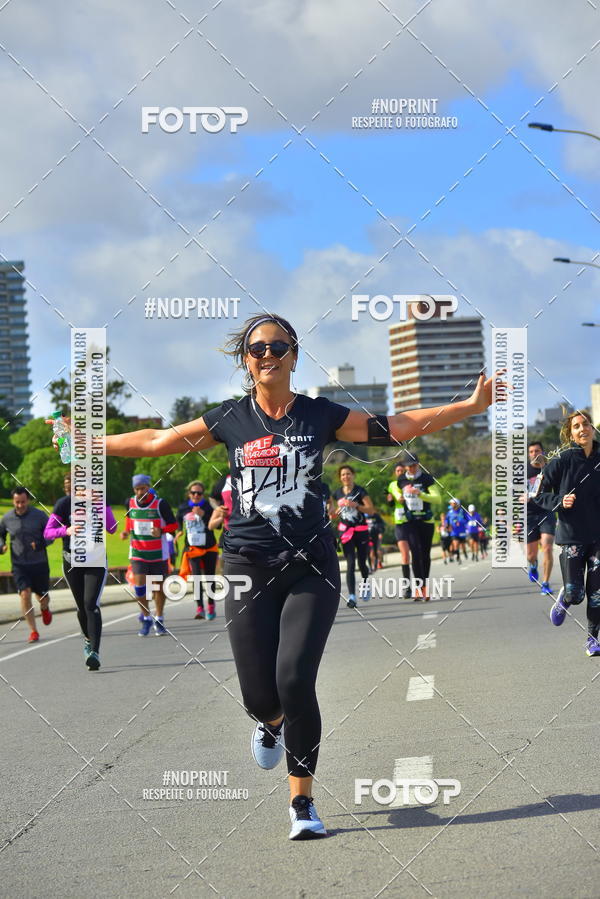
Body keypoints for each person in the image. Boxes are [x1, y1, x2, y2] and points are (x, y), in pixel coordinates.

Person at [99, 312, 498, 840]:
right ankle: (272, 725)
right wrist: (90, 444)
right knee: (259, 697)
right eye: (257, 348)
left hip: (311, 565)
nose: (268, 355)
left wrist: (470, 407)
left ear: (294, 354)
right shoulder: (230, 419)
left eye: (278, 346)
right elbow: (153, 442)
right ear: (246, 359)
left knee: (294, 680)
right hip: (245, 565)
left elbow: (395, 427)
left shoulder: (319, 415)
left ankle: (302, 803)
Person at [534, 410, 600, 656]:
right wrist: (560, 501)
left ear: (592, 428)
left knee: (597, 594)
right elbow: (538, 494)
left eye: (586, 424)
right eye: (576, 426)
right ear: (570, 433)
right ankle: (566, 597)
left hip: (598, 536)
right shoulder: (562, 460)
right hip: (572, 535)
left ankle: (592, 640)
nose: (582, 429)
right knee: (577, 594)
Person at [44, 492, 118, 670]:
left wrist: (100, 504)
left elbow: (113, 527)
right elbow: (48, 532)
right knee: (81, 607)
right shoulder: (64, 504)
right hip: (72, 562)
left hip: (96, 560)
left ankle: (94, 652)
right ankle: (87, 639)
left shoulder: (99, 501)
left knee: (90, 604)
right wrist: (66, 530)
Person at [120, 474, 177, 636]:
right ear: (134, 489)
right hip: (138, 552)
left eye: (143, 488)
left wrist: (162, 531)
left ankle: (159, 618)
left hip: (158, 554)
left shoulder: (160, 504)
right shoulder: (129, 502)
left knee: (158, 588)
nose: (140, 492)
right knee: (140, 588)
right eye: (137, 489)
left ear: (149, 487)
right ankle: (145, 618)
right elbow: (130, 519)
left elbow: (174, 525)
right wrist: (125, 531)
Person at [0, 486, 53, 642]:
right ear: (13, 501)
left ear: (28, 500)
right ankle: (33, 631)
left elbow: (51, 534)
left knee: (42, 597)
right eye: (17, 502)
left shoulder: (39, 516)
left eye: (23, 502)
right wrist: (1, 546)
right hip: (19, 565)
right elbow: (0, 535)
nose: (20, 505)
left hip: (39, 563)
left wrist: (41, 543)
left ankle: (44, 608)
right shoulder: (7, 518)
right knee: (25, 594)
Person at [332, 465, 376, 607]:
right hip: (346, 532)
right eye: (343, 475)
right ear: (340, 478)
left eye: (348, 474)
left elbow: (371, 510)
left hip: (361, 531)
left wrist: (355, 505)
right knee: (350, 563)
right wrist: (337, 510)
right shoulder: (337, 494)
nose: (346, 477)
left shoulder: (360, 491)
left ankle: (365, 585)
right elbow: (332, 515)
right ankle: (352, 597)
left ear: (353, 475)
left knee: (362, 563)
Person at [397, 454, 439, 600]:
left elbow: (437, 498)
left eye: (414, 465)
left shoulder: (427, 478)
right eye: (409, 466)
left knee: (425, 555)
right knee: (415, 553)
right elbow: (398, 490)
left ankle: (424, 586)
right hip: (410, 522)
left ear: (418, 464)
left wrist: (420, 494)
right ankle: (419, 588)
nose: (411, 468)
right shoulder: (401, 479)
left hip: (426, 521)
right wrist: (399, 497)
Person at [176, 481, 219, 620]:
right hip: (192, 549)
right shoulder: (183, 507)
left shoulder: (209, 507)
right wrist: (178, 532)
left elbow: (217, 527)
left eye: (199, 493)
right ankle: (200, 608)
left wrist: (204, 515)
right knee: (196, 578)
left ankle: (211, 606)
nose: (196, 495)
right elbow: (177, 522)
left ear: (203, 494)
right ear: (189, 494)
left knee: (209, 578)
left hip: (209, 548)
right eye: (193, 493)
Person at [526, 440, 556, 595]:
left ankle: (545, 583)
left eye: (537, 451)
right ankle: (533, 564)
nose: (534, 454)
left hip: (546, 512)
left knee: (548, 547)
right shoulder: (523, 471)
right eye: (531, 451)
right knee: (530, 555)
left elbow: (558, 487)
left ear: (542, 452)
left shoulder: (549, 468)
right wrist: (520, 496)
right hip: (529, 515)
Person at [387, 461, 412, 597]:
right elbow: (390, 502)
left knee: (416, 554)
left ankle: (421, 583)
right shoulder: (391, 485)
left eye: (402, 471)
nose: (400, 473)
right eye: (397, 471)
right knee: (405, 555)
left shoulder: (410, 485)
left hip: (412, 522)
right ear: (395, 473)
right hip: (400, 522)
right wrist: (390, 500)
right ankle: (407, 587)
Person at [446, 498, 468, 564]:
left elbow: (467, 520)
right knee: (455, 544)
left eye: (452, 503)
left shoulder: (462, 511)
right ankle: (458, 557)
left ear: (456, 504)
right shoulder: (449, 512)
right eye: (450, 503)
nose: (450, 504)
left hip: (461, 532)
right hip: (454, 532)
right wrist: (447, 525)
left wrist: (460, 522)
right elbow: (446, 520)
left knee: (463, 546)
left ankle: (464, 552)